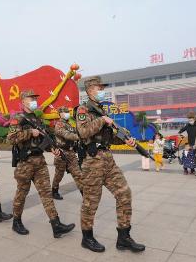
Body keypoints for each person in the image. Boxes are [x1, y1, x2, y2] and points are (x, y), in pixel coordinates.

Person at [76, 76, 145, 253]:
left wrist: (124, 140)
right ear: (90, 90)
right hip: (92, 161)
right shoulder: (84, 110)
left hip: (107, 159)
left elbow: (107, 137)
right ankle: (87, 237)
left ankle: (123, 237)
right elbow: (83, 132)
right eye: (99, 88)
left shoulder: (100, 110)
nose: (102, 91)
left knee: (124, 193)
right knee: (91, 201)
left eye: (102, 88)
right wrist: (102, 120)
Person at [8, 90, 75, 238]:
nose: (34, 101)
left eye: (35, 98)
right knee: (21, 194)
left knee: (46, 193)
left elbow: (43, 140)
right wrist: (29, 132)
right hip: (25, 163)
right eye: (31, 98)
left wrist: (53, 149)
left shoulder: (37, 119)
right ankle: (16, 221)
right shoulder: (18, 118)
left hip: (40, 161)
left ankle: (56, 224)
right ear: (23, 100)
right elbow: (11, 138)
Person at [51, 106, 83, 200]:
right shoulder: (59, 124)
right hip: (61, 153)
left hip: (71, 153)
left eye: (67, 111)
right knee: (59, 174)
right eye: (64, 112)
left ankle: (85, 195)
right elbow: (66, 135)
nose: (66, 113)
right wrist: (80, 136)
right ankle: (54, 191)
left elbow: (74, 133)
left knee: (78, 174)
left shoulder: (69, 124)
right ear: (60, 114)